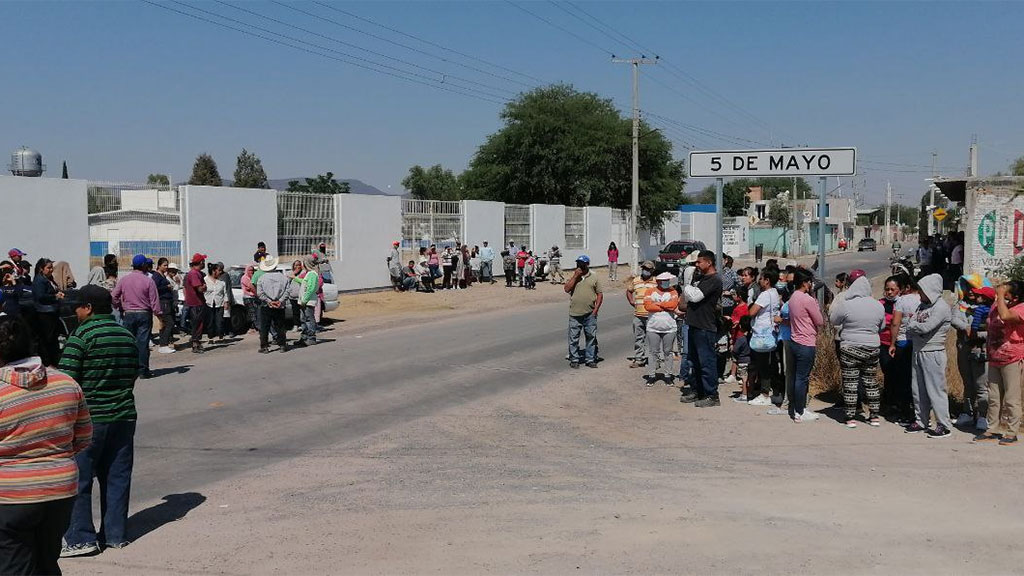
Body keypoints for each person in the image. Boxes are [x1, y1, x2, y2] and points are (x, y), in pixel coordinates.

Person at [0, 316, 92, 574]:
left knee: (13, 567)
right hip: (59, 491)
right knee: (47, 562)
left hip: (10, 496)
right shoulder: (65, 383)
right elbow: (83, 436)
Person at [57, 285, 139, 558]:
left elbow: (67, 382)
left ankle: (81, 538)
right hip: (124, 416)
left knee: (79, 480)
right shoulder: (126, 335)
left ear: (89, 308)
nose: (75, 312)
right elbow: (132, 375)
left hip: (89, 419)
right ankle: (115, 534)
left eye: (77, 307)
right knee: (117, 476)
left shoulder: (81, 336)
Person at [830, 270, 885, 428]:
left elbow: (834, 319)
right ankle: (874, 416)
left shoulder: (847, 304)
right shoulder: (877, 305)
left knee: (850, 383)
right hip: (872, 347)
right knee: (870, 381)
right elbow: (881, 326)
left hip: (850, 347)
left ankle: (850, 417)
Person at [905, 273, 953, 437]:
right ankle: (921, 420)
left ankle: (943, 424)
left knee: (935, 389)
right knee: (918, 389)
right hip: (918, 351)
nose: (919, 294)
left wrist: (914, 326)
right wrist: (915, 326)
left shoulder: (941, 307)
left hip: (933, 352)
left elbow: (926, 327)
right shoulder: (922, 306)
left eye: (922, 291)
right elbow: (911, 325)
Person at [976, 281, 1024, 444]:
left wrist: (1001, 296)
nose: (1001, 297)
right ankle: (992, 429)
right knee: (994, 396)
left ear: (1016, 297)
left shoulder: (1021, 308)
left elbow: (1005, 316)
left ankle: (1012, 432)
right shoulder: (998, 305)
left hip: (1013, 357)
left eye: (1006, 295)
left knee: (1012, 397)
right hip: (995, 356)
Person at [680, 251, 724, 407]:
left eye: (699, 262)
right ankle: (697, 390)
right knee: (694, 361)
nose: (697, 265)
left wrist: (685, 285)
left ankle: (712, 395)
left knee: (707, 362)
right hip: (694, 324)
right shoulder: (701, 278)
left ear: (709, 263)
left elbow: (695, 296)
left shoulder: (714, 280)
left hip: (705, 327)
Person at [111, 254, 161, 378]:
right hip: (144, 314)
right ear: (144, 265)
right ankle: (143, 370)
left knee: (129, 342)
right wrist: (159, 316)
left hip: (128, 314)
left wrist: (119, 306)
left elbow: (113, 296)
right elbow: (155, 301)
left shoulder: (124, 280)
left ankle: (129, 370)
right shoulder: (148, 281)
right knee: (143, 343)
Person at [951, 277, 991, 429]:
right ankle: (967, 413)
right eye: (967, 287)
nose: (971, 291)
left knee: (981, 384)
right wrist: (965, 328)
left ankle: (983, 415)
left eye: (974, 287)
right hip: (964, 348)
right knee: (967, 382)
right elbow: (954, 319)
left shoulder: (989, 308)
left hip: (981, 350)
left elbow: (991, 330)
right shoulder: (961, 305)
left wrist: (976, 333)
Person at [787, 268, 824, 422]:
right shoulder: (807, 299)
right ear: (804, 283)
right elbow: (820, 320)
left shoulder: (793, 297)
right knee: (802, 378)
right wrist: (813, 297)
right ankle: (800, 411)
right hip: (806, 342)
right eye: (809, 282)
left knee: (797, 377)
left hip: (795, 340)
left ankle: (796, 407)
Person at [745, 269, 781, 407]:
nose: (759, 281)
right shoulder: (775, 293)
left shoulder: (765, 295)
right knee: (771, 364)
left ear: (767, 280)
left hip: (761, 334)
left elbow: (752, 311)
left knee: (763, 365)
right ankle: (776, 392)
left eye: (761, 279)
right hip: (771, 333)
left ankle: (765, 393)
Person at [565, 255, 602, 369]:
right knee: (573, 338)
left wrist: (596, 309)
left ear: (587, 265)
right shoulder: (574, 277)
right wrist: (576, 276)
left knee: (591, 336)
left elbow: (599, 294)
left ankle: (590, 359)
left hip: (589, 313)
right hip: (575, 313)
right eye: (578, 264)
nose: (579, 266)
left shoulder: (594, 277)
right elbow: (566, 289)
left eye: (582, 264)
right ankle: (574, 359)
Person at [644, 272, 679, 385]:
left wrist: (658, 304)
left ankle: (668, 375)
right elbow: (648, 306)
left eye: (668, 280)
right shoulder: (650, 291)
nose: (667, 283)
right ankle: (651, 375)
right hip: (653, 327)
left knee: (668, 352)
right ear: (658, 281)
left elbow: (673, 305)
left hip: (669, 328)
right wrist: (665, 306)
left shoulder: (673, 291)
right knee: (653, 352)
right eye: (665, 280)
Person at [32, 258, 65, 367]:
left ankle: (54, 360)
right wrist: (55, 296)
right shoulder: (39, 280)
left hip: (52, 312)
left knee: (53, 338)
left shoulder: (48, 279)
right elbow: (40, 296)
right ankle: (47, 362)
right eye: (48, 268)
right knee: (47, 339)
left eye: (52, 267)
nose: (51, 270)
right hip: (44, 313)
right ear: (42, 269)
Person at [255, 256, 289, 353]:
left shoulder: (262, 278)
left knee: (265, 326)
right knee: (280, 326)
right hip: (280, 305)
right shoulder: (283, 277)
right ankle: (282, 345)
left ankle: (264, 346)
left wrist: (269, 301)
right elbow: (287, 291)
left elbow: (260, 293)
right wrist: (280, 301)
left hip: (267, 306)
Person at [627, 261, 657, 369]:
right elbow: (629, 291)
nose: (645, 271)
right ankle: (639, 358)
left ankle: (654, 360)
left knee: (653, 338)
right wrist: (631, 301)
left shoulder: (656, 282)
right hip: (638, 315)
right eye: (644, 268)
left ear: (652, 270)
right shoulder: (636, 281)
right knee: (639, 337)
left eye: (648, 269)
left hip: (652, 315)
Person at [184, 253, 208, 353]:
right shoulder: (194, 274)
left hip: (197, 303)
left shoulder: (196, 273)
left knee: (199, 324)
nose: (205, 263)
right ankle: (195, 344)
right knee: (197, 324)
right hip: (196, 303)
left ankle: (197, 343)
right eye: (203, 261)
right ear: (201, 262)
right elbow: (199, 289)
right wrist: (204, 286)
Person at [154, 258, 177, 354]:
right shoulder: (156, 276)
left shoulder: (163, 276)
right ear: (159, 266)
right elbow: (155, 288)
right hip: (163, 302)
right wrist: (166, 287)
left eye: (167, 265)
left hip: (168, 301)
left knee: (166, 323)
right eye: (164, 265)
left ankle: (164, 344)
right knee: (169, 323)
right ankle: (163, 344)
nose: (166, 267)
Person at [296, 256, 320, 347]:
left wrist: (304, 299)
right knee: (303, 319)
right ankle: (304, 337)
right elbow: (304, 282)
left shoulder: (313, 274)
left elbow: (311, 288)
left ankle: (311, 338)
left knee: (309, 319)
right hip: (304, 301)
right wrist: (295, 278)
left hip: (308, 302)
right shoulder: (309, 274)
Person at [203, 262, 228, 340]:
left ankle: (221, 336)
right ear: (213, 271)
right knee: (210, 321)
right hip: (208, 304)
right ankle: (210, 337)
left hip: (219, 304)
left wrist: (226, 302)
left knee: (219, 321)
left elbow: (225, 293)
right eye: (218, 270)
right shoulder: (205, 280)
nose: (220, 272)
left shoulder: (222, 282)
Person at [241, 264, 258, 334]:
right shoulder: (244, 278)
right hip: (248, 297)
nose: (252, 272)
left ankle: (254, 327)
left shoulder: (253, 277)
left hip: (253, 296)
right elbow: (250, 286)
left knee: (255, 312)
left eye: (252, 270)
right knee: (251, 312)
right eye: (250, 270)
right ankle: (252, 327)